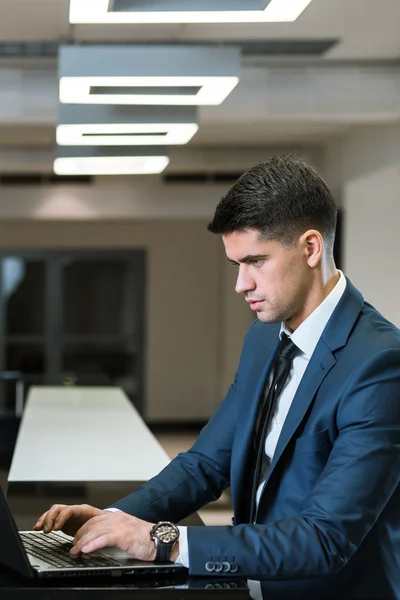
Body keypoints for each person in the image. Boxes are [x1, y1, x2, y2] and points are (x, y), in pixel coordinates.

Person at [34, 156, 400, 599]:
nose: (241, 284)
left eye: (255, 261)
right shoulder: (264, 340)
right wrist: (112, 519)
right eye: (235, 265)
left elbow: (324, 539)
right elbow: (207, 463)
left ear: (310, 248)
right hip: (251, 584)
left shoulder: (380, 364)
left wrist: (160, 542)